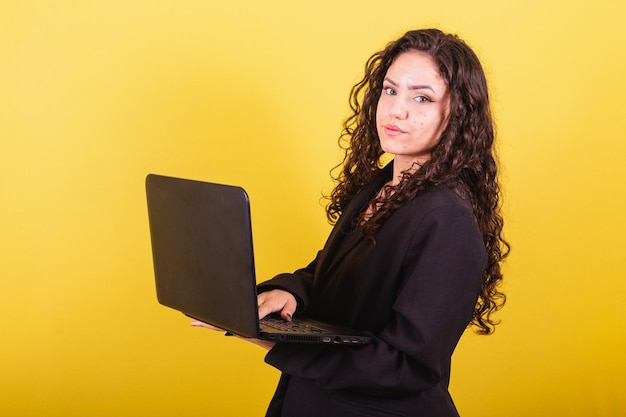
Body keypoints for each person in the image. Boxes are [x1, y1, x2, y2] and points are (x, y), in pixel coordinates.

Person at [193, 28, 509, 417]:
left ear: (457, 114)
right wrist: (290, 293)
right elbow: (335, 273)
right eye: (390, 90)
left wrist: (276, 342)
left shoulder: (447, 221)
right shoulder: (383, 184)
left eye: (422, 98)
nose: (396, 110)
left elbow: (406, 368)